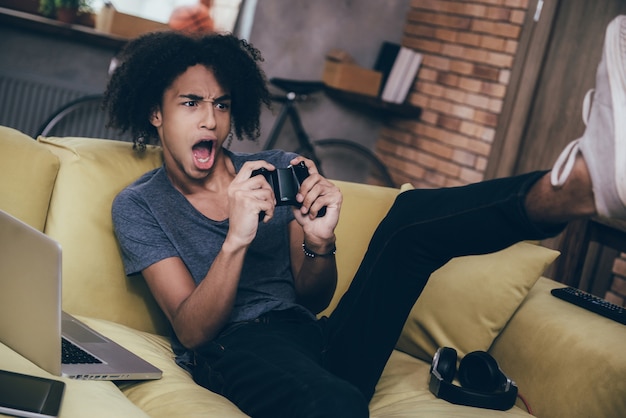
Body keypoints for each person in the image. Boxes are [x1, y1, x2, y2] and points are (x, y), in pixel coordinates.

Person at [103, 15, 626, 418]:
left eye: (220, 105)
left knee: (409, 220)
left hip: (311, 337)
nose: (210, 120)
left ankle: (574, 187)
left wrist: (319, 241)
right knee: (335, 401)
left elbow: (312, 297)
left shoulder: (276, 170)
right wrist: (236, 240)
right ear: (157, 112)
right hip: (233, 350)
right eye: (191, 104)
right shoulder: (140, 205)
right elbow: (192, 331)